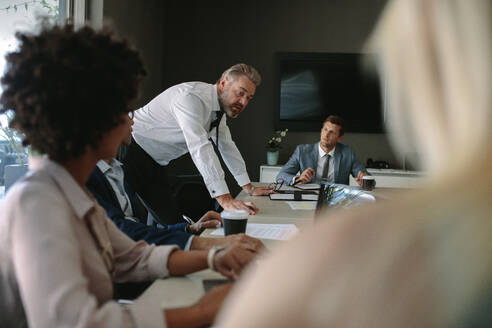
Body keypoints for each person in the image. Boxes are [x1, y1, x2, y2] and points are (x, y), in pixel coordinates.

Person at [216, 0, 492, 327]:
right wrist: (296, 178)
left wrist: (362, 177)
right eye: (325, 131)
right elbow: (284, 176)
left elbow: (360, 173)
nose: (328, 137)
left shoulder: (348, 181)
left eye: (334, 133)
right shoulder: (304, 151)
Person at [0, 23, 256, 328]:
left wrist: (214, 256)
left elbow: (132, 257)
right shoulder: (38, 203)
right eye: (124, 109)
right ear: (92, 117)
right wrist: (199, 312)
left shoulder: (75, 188)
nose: (133, 120)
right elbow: (78, 322)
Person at [123, 63, 274, 225]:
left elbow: (227, 146)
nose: (243, 102)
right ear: (223, 84)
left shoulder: (217, 113)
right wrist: (224, 200)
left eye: (248, 98)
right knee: (121, 221)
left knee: (173, 225)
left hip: (154, 163)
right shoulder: (191, 97)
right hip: (128, 149)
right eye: (240, 93)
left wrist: (248, 187)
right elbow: (200, 147)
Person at [86, 122, 264, 252]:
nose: (133, 120)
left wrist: (189, 229)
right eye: (127, 113)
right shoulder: (88, 178)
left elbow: (137, 230)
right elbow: (121, 232)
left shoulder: (117, 171)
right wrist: (205, 245)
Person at [276, 115, 368, 186]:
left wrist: (365, 181)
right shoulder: (302, 151)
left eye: (332, 132)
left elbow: (369, 179)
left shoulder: (348, 153)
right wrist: (298, 179)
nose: (326, 135)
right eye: (325, 129)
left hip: (336, 201)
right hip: (308, 198)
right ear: (321, 130)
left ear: (340, 138)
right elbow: (281, 176)